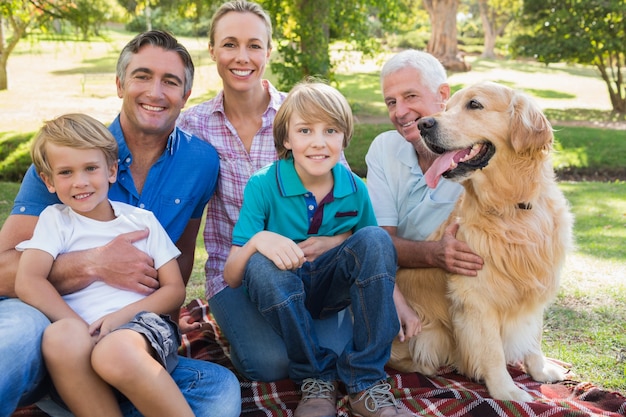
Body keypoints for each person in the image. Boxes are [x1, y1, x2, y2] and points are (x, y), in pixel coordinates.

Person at [0, 31, 240, 417]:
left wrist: (151, 328)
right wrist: (93, 263)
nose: (155, 92)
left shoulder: (200, 162)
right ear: (119, 84)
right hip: (48, 319)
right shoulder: (70, 155)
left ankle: (72, 400)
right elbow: (5, 271)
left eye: (171, 81)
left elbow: (181, 260)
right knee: (10, 343)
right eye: (142, 76)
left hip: (131, 332)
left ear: (185, 95)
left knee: (219, 395)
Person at [177, 0, 352, 382]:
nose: (243, 57)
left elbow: (348, 203)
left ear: (268, 51)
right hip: (235, 275)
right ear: (212, 51)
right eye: (230, 44)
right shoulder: (192, 125)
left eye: (254, 45)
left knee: (334, 356)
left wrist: (331, 241)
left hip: (308, 270)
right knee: (271, 366)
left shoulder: (303, 114)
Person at [223, 81, 413, 417]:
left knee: (377, 237)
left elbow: (373, 251)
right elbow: (233, 275)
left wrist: (400, 303)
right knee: (258, 264)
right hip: (279, 293)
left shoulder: (354, 186)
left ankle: (366, 382)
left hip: (329, 289)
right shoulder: (264, 184)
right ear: (286, 139)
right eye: (305, 130)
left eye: (330, 130)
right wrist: (257, 241)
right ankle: (315, 376)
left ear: (343, 138)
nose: (318, 142)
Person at [15, 113, 195, 417]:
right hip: (82, 341)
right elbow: (28, 280)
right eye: (66, 172)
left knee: (115, 351)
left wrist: (117, 319)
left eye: (90, 168)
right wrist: (80, 327)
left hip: (139, 330)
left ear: (111, 170)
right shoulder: (55, 221)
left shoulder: (141, 221)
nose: (80, 182)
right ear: (48, 180)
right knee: (60, 336)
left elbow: (174, 290)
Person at [365, 49, 484, 281]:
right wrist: (433, 253)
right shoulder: (383, 149)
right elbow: (379, 242)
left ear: (442, 94)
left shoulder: (477, 156)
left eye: (410, 96)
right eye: (391, 102)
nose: (400, 112)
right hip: (390, 286)